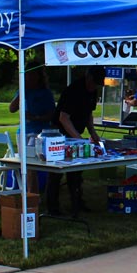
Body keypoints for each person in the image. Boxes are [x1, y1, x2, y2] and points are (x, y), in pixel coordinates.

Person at [46, 67, 106, 216]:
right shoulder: (73, 91)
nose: (94, 87)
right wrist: (79, 140)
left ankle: (77, 202)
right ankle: (53, 207)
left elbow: (88, 114)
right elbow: (63, 118)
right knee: (57, 171)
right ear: (88, 77)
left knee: (77, 170)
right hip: (60, 134)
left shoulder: (93, 91)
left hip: (75, 132)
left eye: (97, 84)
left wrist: (93, 133)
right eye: (93, 83)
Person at [9, 67, 56, 134]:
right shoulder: (22, 91)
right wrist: (23, 91)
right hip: (24, 131)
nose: (30, 78)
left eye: (33, 75)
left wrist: (35, 117)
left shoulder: (45, 93)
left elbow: (52, 115)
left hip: (41, 132)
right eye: (28, 75)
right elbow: (12, 109)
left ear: (39, 77)